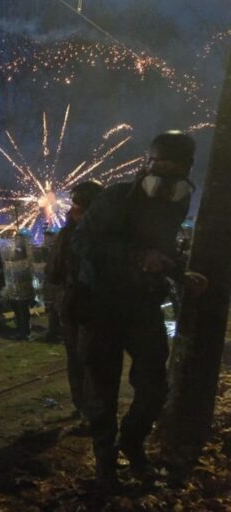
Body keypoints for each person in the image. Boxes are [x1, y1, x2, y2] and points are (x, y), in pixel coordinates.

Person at [71, 131, 208, 494]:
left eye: (173, 167)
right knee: (102, 391)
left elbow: (158, 250)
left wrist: (178, 272)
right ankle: (105, 466)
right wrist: (135, 257)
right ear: (146, 163)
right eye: (158, 164)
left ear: (185, 169)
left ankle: (130, 443)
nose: (164, 174)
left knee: (153, 387)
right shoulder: (115, 198)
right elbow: (82, 242)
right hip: (100, 304)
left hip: (141, 305)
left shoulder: (175, 204)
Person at [46, 181, 104, 422]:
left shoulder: (68, 234)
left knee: (78, 359)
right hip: (103, 305)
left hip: (76, 304)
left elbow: (53, 272)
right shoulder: (111, 230)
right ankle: (98, 411)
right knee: (100, 360)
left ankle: (84, 408)